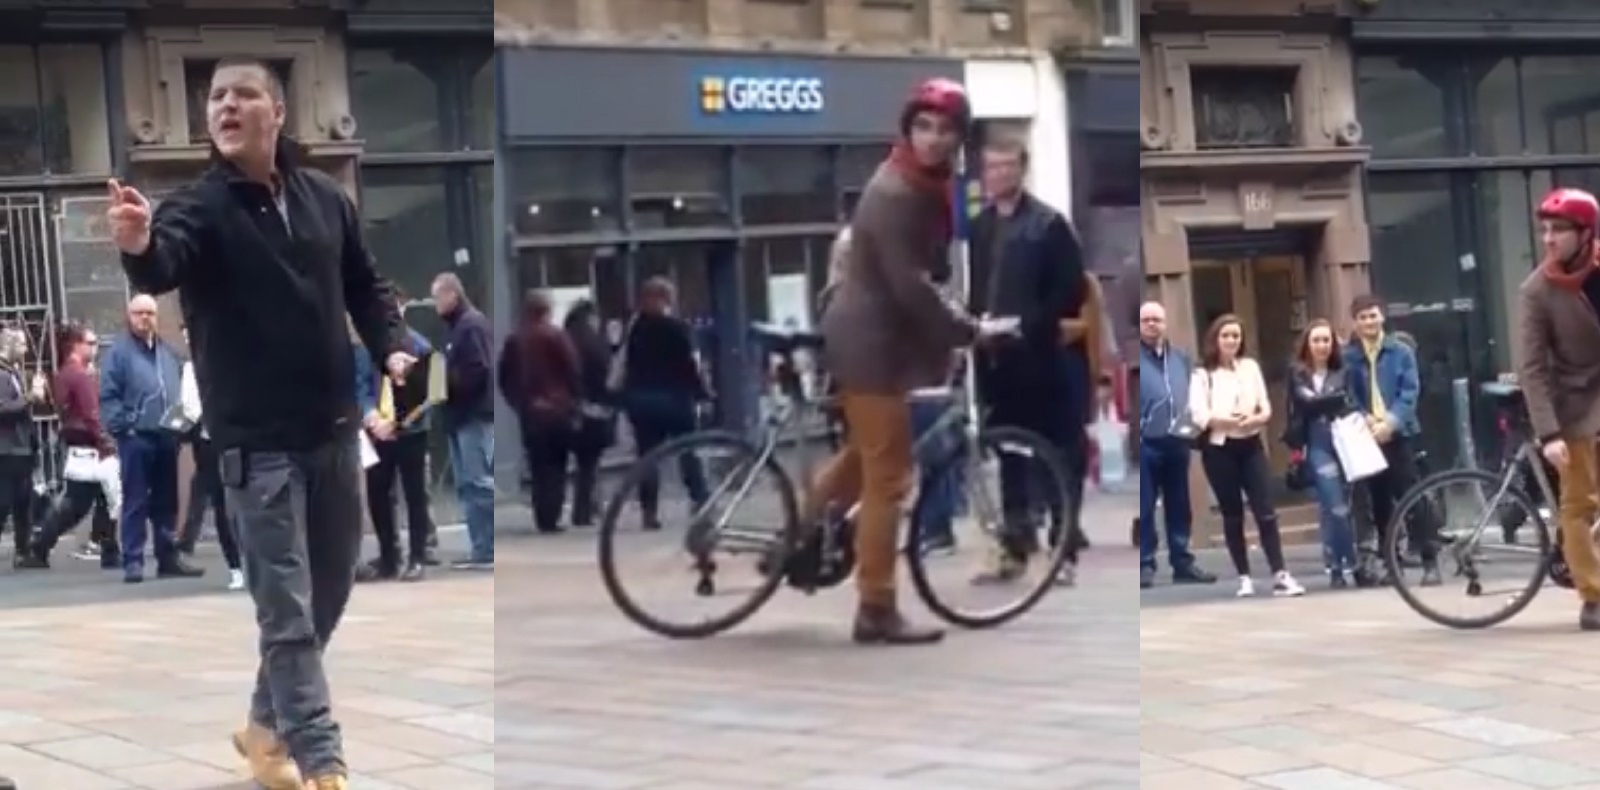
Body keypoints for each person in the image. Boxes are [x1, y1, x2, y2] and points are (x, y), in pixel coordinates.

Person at [107, 57, 412, 790]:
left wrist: (394, 346)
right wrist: (138, 244)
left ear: (277, 111)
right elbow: (161, 264)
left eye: (243, 93)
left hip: (334, 431)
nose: (226, 105)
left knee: (330, 594)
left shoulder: (325, 199)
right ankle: (322, 761)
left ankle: (263, 727)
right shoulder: (198, 206)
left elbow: (366, 285)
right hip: (256, 447)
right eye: (214, 97)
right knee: (287, 612)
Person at [810, 78, 1013, 644]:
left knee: (864, 457)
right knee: (889, 480)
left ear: (959, 137)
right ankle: (876, 606)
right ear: (907, 130)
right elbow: (912, 287)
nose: (932, 139)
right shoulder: (898, 192)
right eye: (923, 126)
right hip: (871, 347)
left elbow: (926, 279)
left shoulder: (924, 183)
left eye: (944, 129)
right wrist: (970, 331)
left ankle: (800, 536)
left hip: (872, 343)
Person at [968, 138, 1089, 586]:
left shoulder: (1048, 225)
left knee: (1056, 453)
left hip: (1040, 359)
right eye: (990, 167)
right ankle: (1015, 546)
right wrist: (978, 325)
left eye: (1005, 166)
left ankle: (1063, 547)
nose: (997, 174)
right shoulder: (981, 228)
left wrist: (1027, 325)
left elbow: (1069, 291)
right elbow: (980, 288)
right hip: (997, 362)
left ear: (1022, 169)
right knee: (1008, 454)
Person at [1516, 187, 1600, 630]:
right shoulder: (1538, 291)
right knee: (1579, 504)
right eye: (1545, 230)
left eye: (1559, 230)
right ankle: (1593, 596)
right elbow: (1530, 368)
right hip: (1578, 406)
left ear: (1585, 234)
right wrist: (1549, 434)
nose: (1548, 239)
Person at [1190, 314, 1304, 598]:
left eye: (1236, 336)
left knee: (1265, 511)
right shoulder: (1203, 374)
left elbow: (1265, 407)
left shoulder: (1250, 367)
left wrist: (1253, 420)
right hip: (1219, 448)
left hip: (1251, 444)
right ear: (1215, 339)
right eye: (1226, 335)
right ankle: (1244, 576)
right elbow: (1199, 415)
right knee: (1232, 514)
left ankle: (1280, 573)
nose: (1231, 341)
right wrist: (1228, 421)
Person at [99, 295, 202, 584]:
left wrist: (182, 426)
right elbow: (108, 396)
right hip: (136, 438)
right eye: (139, 313)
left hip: (166, 436)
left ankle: (167, 556)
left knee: (166, 501)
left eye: (150, 313)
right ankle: (133, 560)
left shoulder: (166, 353)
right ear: (129, 316)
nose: (145, 318)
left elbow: (182, 388)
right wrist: (124, 426)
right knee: (135, 500)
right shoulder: (118, 354)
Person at [1343, 294, 1437, 587]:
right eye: (1362, 317)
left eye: (1373, 315)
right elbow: (1347, 395)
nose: (1369, 322)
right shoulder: (1349, 357)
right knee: (1379, 501)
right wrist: (1367, 419)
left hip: (1400, 435)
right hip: (1367, 437)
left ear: (1382, 317)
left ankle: (1429, 559)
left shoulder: (1400, 351)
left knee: (1413, 498)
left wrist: (1391, 423)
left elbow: (1410, 391)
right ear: (1355, 323)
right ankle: (1390, 562)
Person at [20, 325, 121, 570]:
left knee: (90, 501)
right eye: (91, 342)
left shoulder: (64, 373)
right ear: (77, 344)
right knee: (102, 500)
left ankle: (105, 548)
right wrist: (105, 441)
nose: (95, 348)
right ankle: (105, 549)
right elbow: (91, 413)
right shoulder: (79, 376)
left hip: (79, 445)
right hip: (92, 447)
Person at [616, 278, 711, 530]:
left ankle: (649, 511)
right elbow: (689, 365)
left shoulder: (636, 330)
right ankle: (701, 500)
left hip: (643, 400)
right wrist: (703, 393)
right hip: (675, 400)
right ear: (666, 299)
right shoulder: (677, 328)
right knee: (688, 451)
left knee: (648, 457)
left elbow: (627, 366)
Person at [1136, 302, 1213, 589]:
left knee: (1179, 505)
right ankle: (1145, 564)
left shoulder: (1180, 358)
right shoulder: (1136, 358)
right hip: (1146, 442)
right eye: (1146, 320)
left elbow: (1193, 394)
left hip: (1177, 442)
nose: (1152, 324)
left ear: (1165, 323)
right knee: (1144, 506)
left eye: (1157, 319)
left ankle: (1182, 561)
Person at [354, 321, 436, 582]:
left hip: (411, 432)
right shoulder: (368, 346)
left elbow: (430, 392)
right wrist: (370, 416)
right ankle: (389, 555)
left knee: (415, 495)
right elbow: (360, 384)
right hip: (378, 432)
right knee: (378, 493)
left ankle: (417, 558)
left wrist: (398, 421)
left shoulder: (420, 346)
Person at [1283, 319, 1360, 588]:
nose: (1322, 346)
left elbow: (1350, 402)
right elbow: (1305, 403)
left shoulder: (1345, 371)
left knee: (1336, 509)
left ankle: (1335, 566)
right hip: (1317, 445)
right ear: (1307, 344)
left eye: (1327, 340)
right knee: (1336, 506)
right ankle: (1350, 561)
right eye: (1316, 340)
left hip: (1345, 442)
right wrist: (1332, 399)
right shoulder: (1298, 372)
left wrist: (1328, 401)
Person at [497, 290, 580, 535]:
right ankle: (552, 515)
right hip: (558, 410)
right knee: (557, 464)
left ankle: (542, 514)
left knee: (538, 465)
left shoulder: (515, 339)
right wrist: (573, 401)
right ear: (547, 311)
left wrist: (518, 402)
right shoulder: (556, 336)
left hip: (530, 412)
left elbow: (504, 377)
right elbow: (573, 371)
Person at [433, 272, 494, 569]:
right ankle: (480, 546)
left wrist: (444, 381)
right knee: (466, 484)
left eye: (438, 297)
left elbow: (478, 370)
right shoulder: (456, 328)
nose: (435, 304)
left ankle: (488, 548)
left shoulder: (471, 326)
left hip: (473, 414)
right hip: (458, 416)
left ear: (453, 295)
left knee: (477, 481)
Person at [178, 325, 243, 590]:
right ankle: (236, 566)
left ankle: (252, 560)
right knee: (220, 503)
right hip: (210, 441)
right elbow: (190, 407)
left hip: (240, 436)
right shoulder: (191, 369)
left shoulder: (236, 360)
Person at [562, 299, 616, 527]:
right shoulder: (593, 342)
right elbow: (606, 372)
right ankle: (586, 509)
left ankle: (587, 506)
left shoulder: (564, 339)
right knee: (590, 462)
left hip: (567, 406)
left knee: (581, 461)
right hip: (593, 407)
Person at [0, 325, 42, 566]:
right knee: (4, 502)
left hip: (21, 449)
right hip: (6, 450)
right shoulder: (2, 374)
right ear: (10, 346)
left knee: (23, 502)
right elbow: (3, 407)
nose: (26, 349)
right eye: (22, 344)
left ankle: (23, 550)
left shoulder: (14, 372)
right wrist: (29, 398)